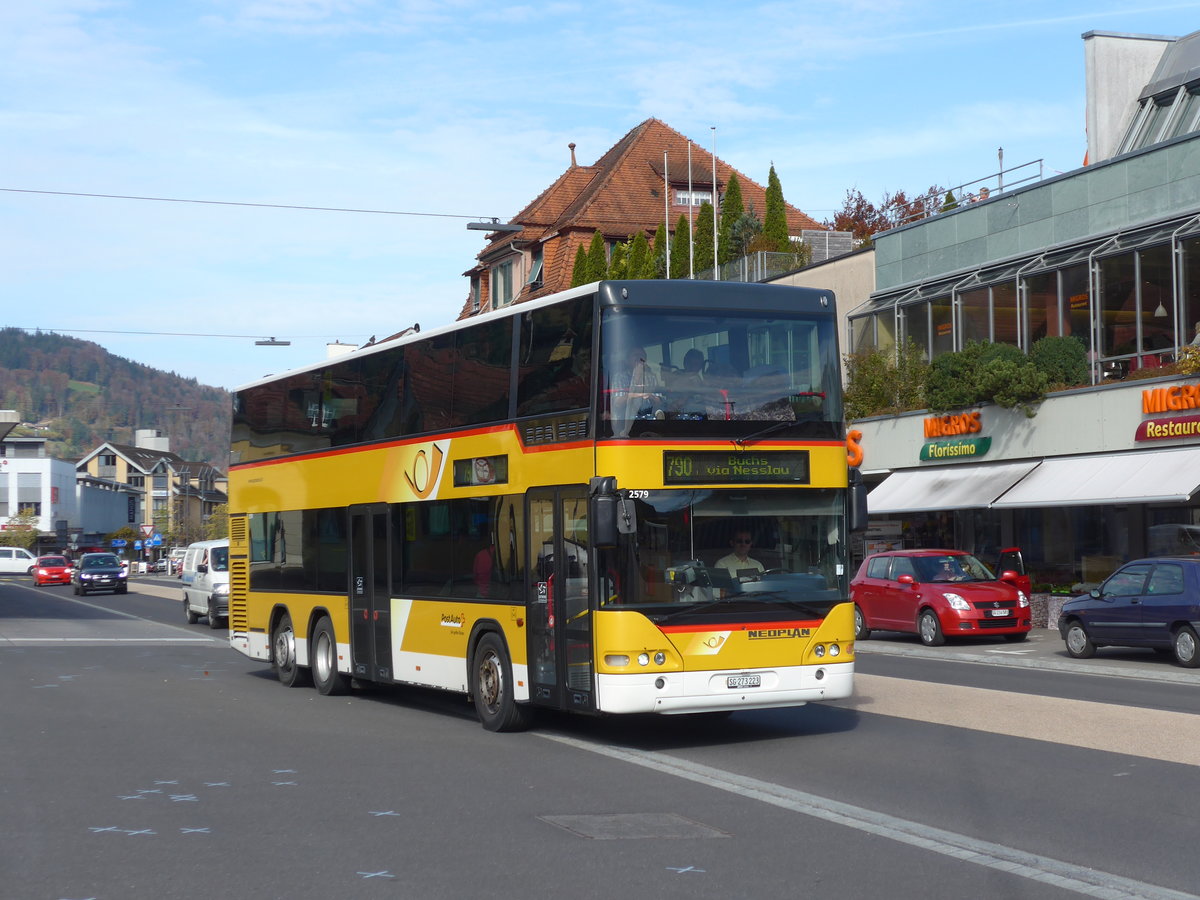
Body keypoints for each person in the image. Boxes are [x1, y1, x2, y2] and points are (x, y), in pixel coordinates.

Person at [611, 346, 663, 427]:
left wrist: (650, 396)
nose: (639, 358)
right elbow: (617, 403)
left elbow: (659, 403)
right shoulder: (620, 377)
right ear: (627, 361)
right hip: (624, 422)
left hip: (649, 422)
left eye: (642, 355)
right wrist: (635, 394)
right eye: (635, 355)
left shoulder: (651, 377)